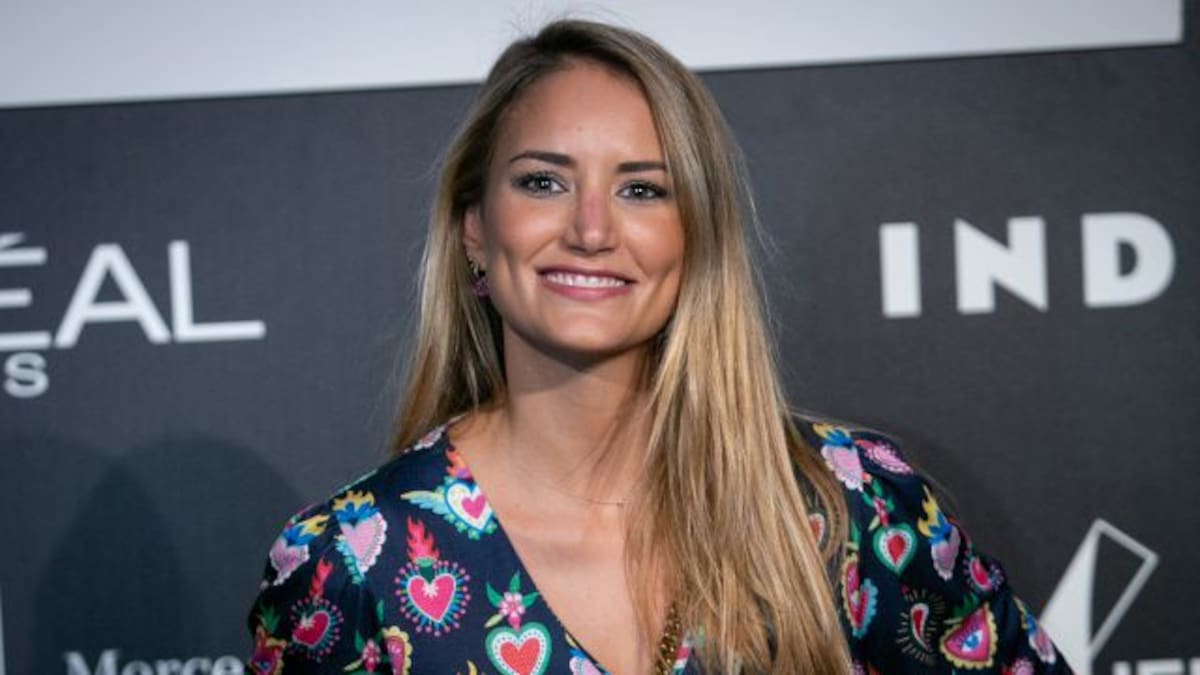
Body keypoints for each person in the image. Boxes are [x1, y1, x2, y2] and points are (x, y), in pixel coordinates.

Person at [246, 19, 1070, 674]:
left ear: (696, 236)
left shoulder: (845, 506)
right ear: (474, 229)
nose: (591, 229)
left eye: (642, 188)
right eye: (543, 181)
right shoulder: (351, 564)